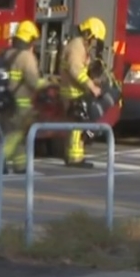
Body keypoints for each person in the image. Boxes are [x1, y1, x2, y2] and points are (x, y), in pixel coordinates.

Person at [58, 17, 106, 168]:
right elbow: (75, 70)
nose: (94, 44)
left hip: (76, 91)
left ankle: (76, 156)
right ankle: (74, 158)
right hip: (72, 93)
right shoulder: (76, 47)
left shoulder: (81, 47)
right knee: (77, 125)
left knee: (80, 125)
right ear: (89, 34)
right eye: (94, 40)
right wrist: (91, 86)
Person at [1, 20, 44, 175]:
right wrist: (48, 84)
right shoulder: (26, 57)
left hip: (6, 101)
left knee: (16, 134)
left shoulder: (7, 53)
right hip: (21, 103)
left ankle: (20, 166)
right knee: (17, 133)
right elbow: (34, 82)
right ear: (30, 39)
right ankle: (1, 157)